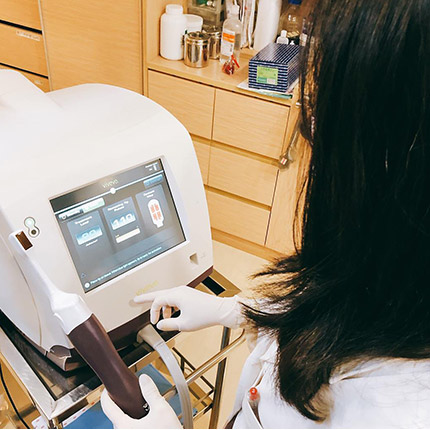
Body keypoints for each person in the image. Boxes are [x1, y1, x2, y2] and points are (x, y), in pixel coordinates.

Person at [101, 0, 430, 427]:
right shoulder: (392, 276)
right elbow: (353, 298)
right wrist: (235, 309)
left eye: (322, 119)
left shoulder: (398, 412)